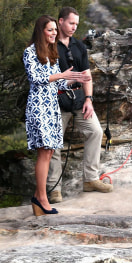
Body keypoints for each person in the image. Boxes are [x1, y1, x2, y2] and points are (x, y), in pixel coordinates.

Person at [23, 15, 91, 216]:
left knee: (50, 152)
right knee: (44, 153)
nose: (54, 33)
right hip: (39, 108)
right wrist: (62, 75)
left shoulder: (51, 52)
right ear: (41, 31)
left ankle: (38, 197)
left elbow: (57, 83)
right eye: (50, 30)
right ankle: (42, 199)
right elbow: (36, 78)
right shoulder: (30, 52)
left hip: (52, 107)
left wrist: (74, 79)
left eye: (55, 30)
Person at [47, 7, 113, 204]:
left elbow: (87, 76)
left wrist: (88, 99)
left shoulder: (79, 46)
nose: (74, 27)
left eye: (76, 24)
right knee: (53, 143)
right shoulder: (49, 45)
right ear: (60, 22)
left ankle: (90, 179)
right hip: (56, 101)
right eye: (71, 23)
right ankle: (54, 189)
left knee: (95, 131)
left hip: (78, 99)